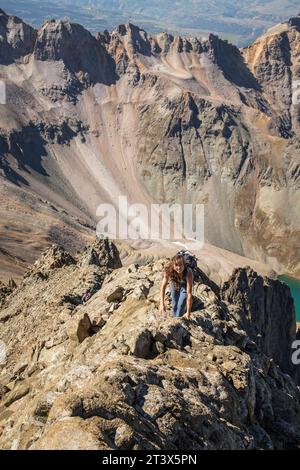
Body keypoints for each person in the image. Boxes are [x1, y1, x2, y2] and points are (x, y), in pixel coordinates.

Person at [159, 254, 194, 319]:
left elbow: (189, 293)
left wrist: (188, 312)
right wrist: (162, 304)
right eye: (176, 265)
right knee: (174, 303)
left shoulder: (188, 272)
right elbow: (163, 287)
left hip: (184, 284)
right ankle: (174, 316)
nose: (179, 267)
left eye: (181, 265)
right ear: (173, 265)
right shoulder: (168, 270)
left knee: (181, 304)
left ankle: (178, 318)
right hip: (174, 282)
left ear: (184, 265)